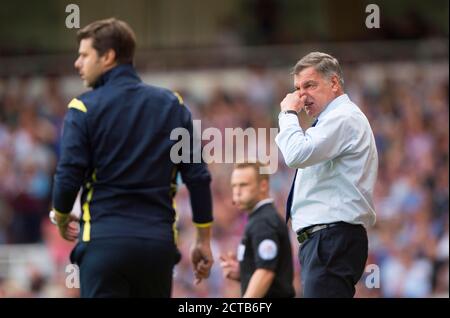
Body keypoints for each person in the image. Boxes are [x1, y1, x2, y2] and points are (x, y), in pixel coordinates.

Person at [50, 18, 214, 297]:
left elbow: (68, 176)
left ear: (108, 56)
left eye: (84, 55)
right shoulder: (172, 105)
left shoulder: (82, 108)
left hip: (104, 245)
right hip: (157, 247)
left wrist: (62, 215)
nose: (78, 63)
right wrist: (203, 239)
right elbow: (197, 178)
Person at [275, 52, 378, 298]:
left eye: (310, 85)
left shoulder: (343, 117)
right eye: (298, 88)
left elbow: (296, 154)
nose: (301, 95)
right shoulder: (332, 120)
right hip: (328, 238)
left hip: (331, 237)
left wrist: (288, 115)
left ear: (334, 83)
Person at [220, 162, 295, 298]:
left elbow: (265, 272)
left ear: (263, 186)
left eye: (243, 185)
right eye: (234, 185)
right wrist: (244, 271)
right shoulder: (260, 218)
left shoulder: (263, 221)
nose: (237, 191)